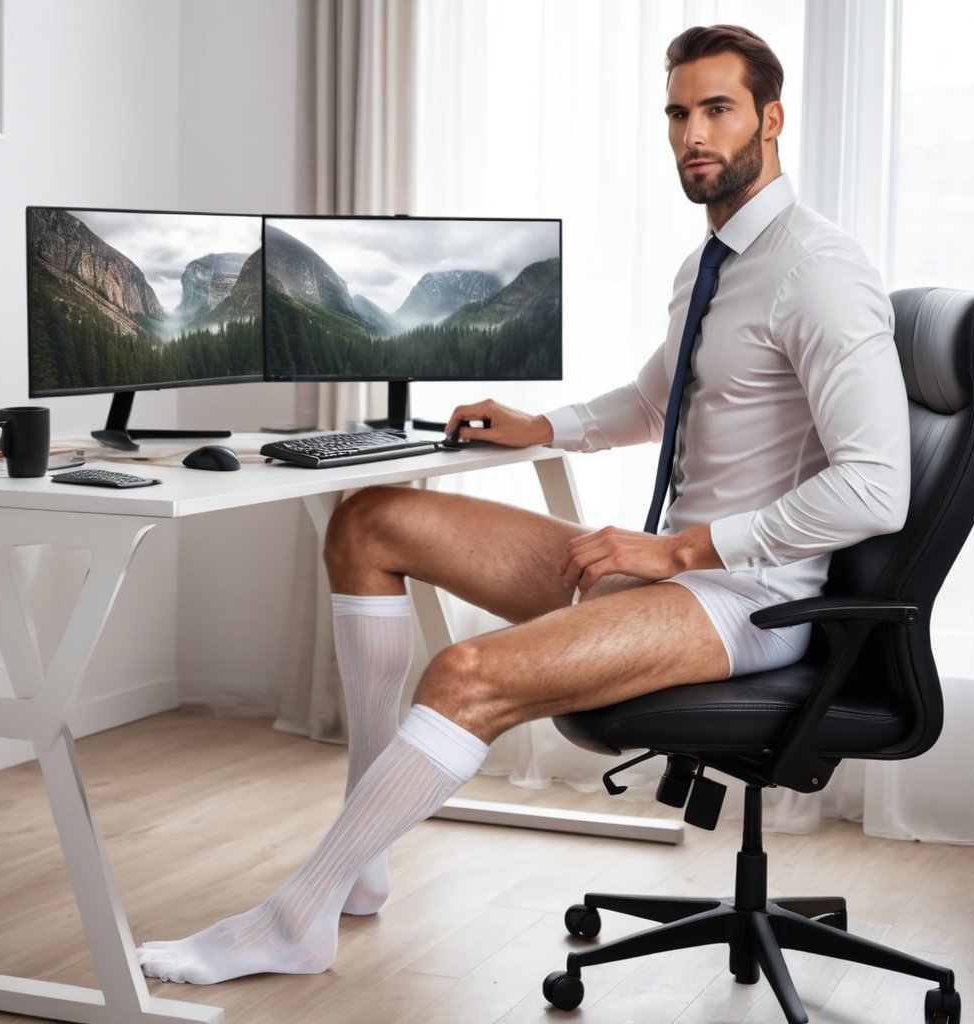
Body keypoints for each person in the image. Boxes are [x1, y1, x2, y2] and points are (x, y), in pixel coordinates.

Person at [137, 24, 909, 985]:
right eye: (677, 113)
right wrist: (539, 427)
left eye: (717, 110)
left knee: (463, 674)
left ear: (772, 118)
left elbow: (878, 486)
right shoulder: (710, 263)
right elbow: (658, 401)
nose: (692, 135)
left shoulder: (819, 271)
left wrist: (675, 553)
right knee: (372, 517)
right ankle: (361, 852)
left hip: (747, 601)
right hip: (668, 568)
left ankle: (296, 919)